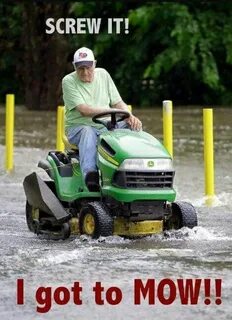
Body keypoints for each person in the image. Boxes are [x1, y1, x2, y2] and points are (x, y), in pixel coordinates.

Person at [62, 47, 142, 191]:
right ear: (74, 67)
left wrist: (129, 115)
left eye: (88, 67)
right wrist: (111, 111)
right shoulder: (68, 81)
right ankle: (90, 177)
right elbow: (84, 110)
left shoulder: (103, 75)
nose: (85, 72)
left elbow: (118, 102)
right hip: (78, 128)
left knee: (134, 126)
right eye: (80, 68)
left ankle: (137, 170)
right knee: (88, 131)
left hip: (104, 124)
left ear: (94, 64)